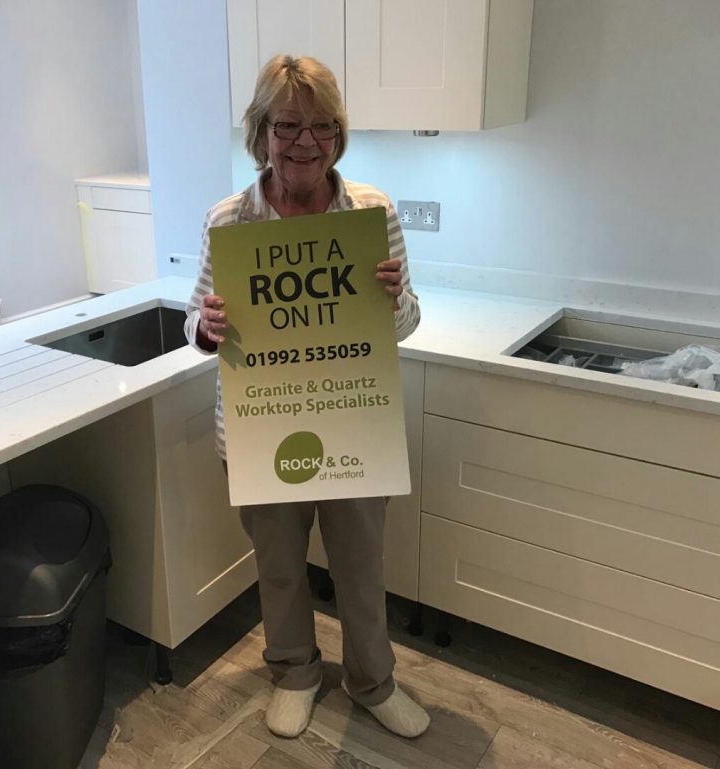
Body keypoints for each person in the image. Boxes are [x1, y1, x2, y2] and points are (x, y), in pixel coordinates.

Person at [184, 54, 426, 740]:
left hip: (352, 420)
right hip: (261, 428)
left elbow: (406, 324)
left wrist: (393, 300)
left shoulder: (372, 212)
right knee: (281, 570)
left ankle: (373, 681)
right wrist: (206, 325)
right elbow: (195, 320)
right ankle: (294, 672)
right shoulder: (228, 221)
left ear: (338, 134)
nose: (304, 143)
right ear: (261, 132)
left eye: (321, 126)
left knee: (360, 567)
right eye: (289, 125)